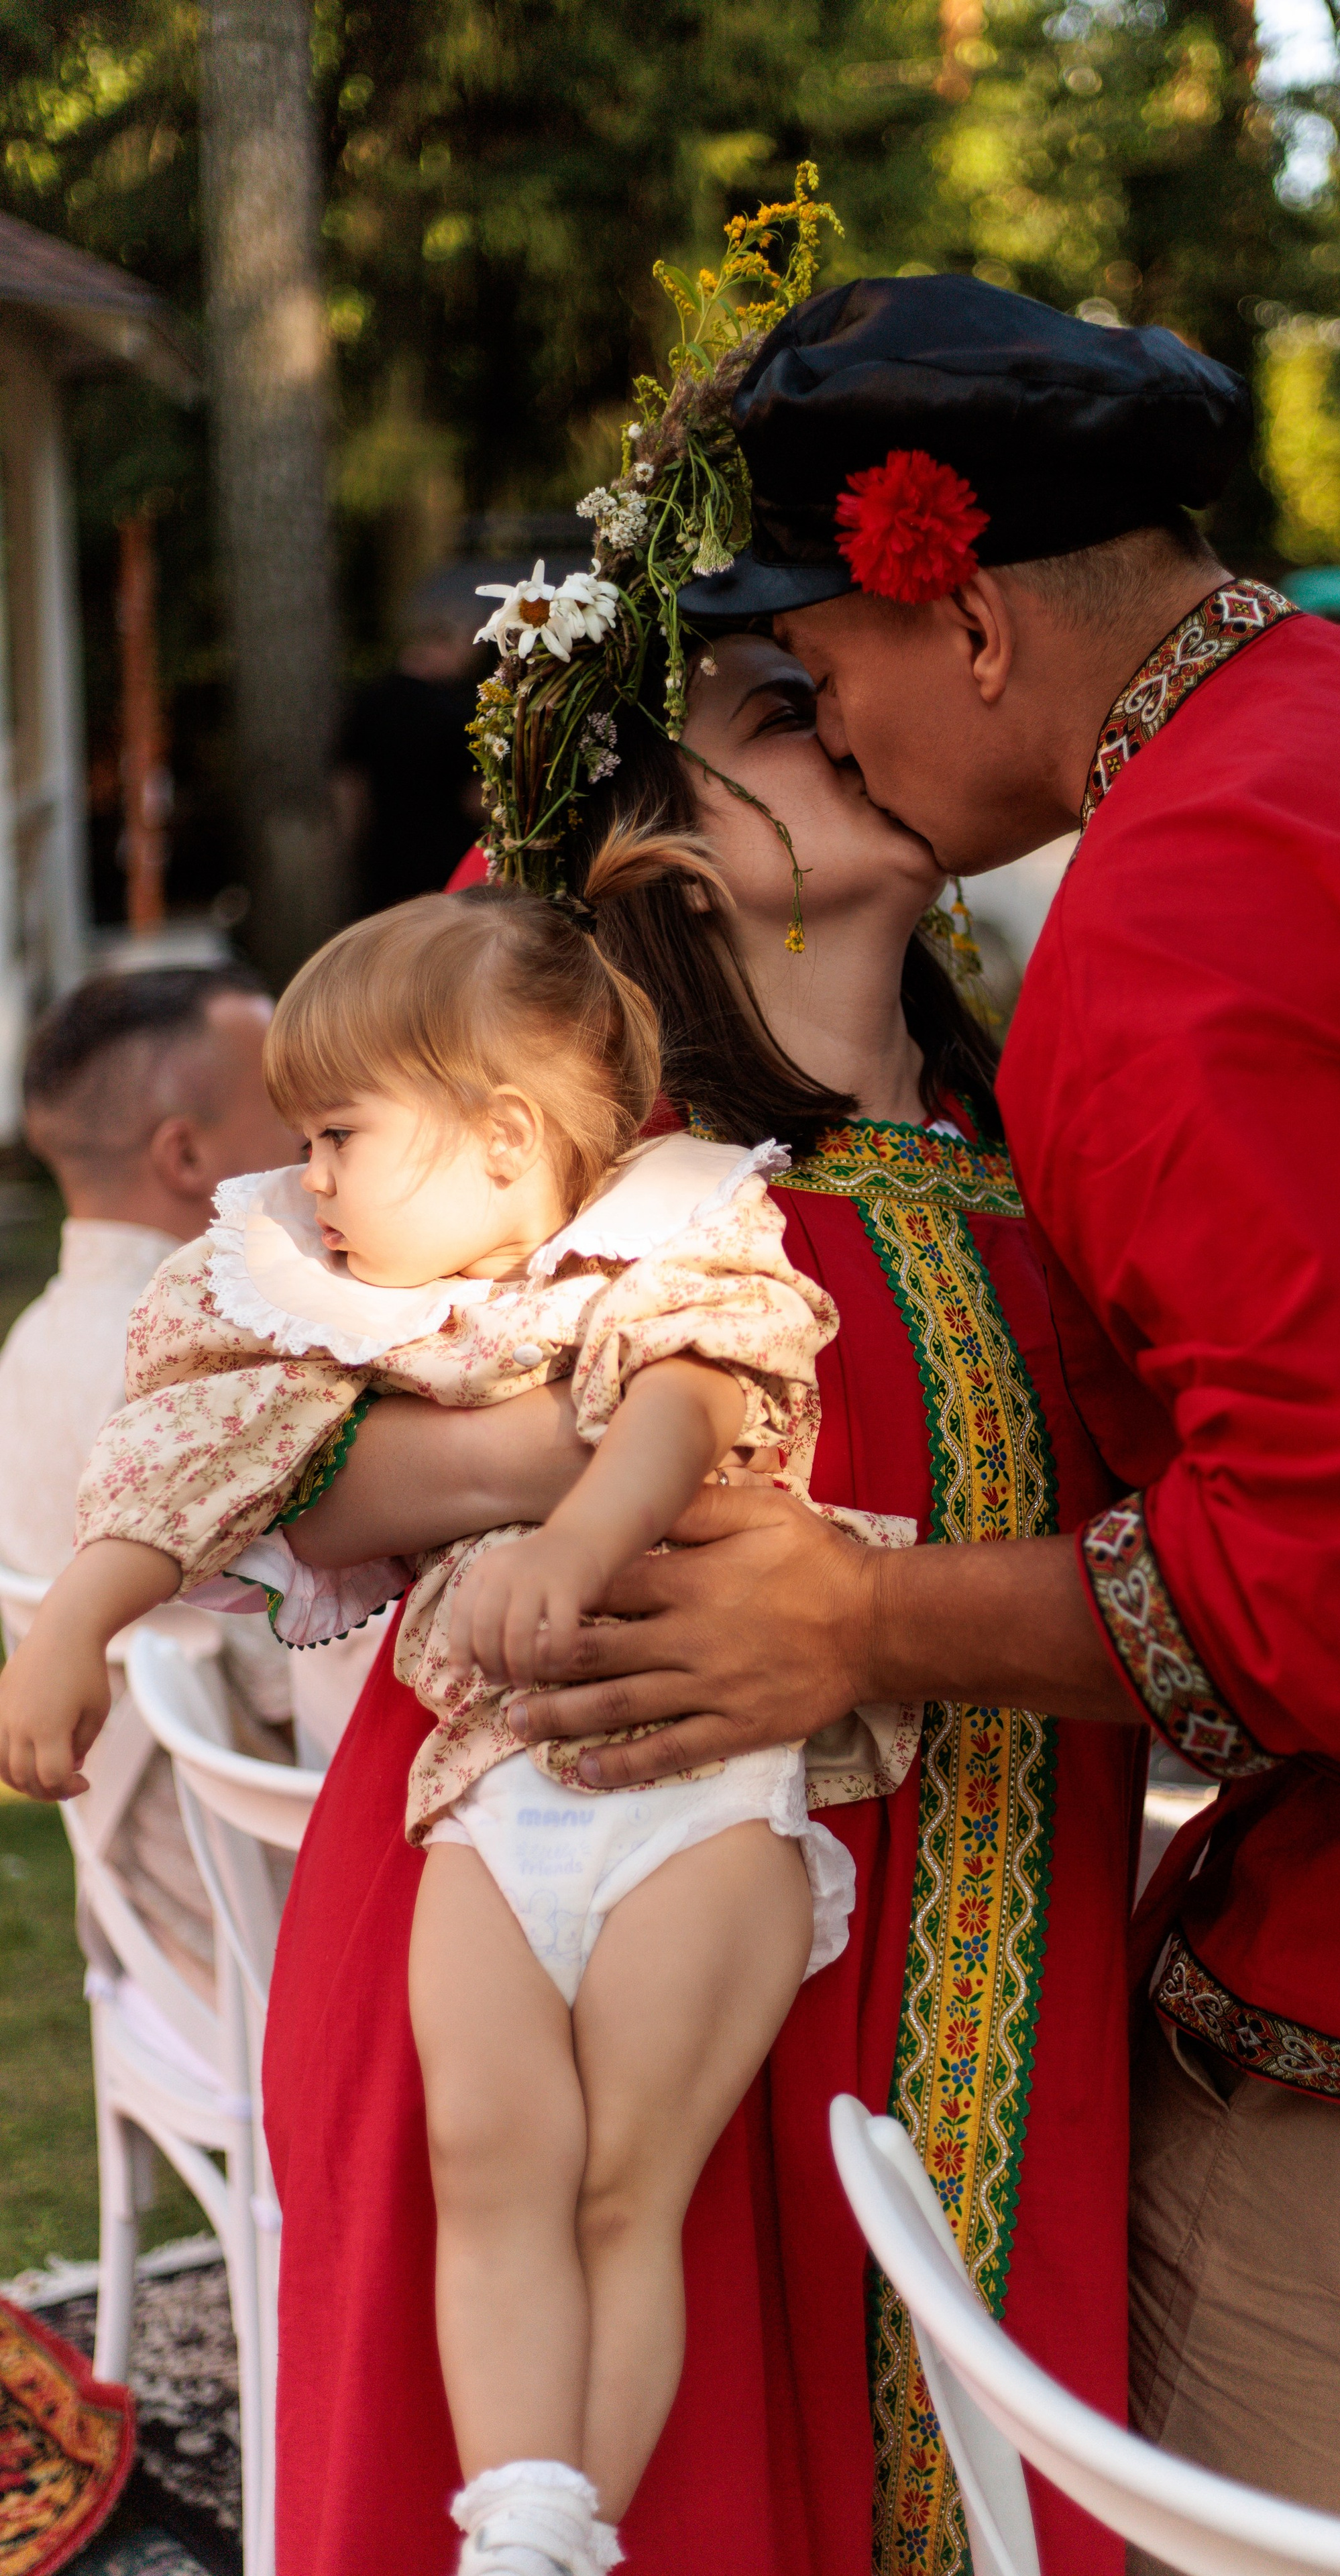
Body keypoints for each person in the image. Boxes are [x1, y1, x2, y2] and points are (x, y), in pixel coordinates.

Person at [508, 272, 1340, 2571]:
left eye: (818, 664)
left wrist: (855, 1623)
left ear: (960, 620)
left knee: (1115, 2529)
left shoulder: (1192, 923)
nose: (832, 735)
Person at [260, 682, 1134, 2573]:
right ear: (659, 837)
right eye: (784, 709)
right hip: (571, 1882)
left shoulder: (1040, 1144)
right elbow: (288, 1456)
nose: (854, 720)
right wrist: (619, 1439)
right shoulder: (573, 1166)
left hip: (959, 1893)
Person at [0, 874, 903, 2575]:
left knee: (623, 2185)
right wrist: (72, 1625)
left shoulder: (676, 1236)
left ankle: (563, 2525)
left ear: (499, 1140)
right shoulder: (335, 1313)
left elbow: (690, 1398)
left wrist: (572, 1542)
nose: (309, 1178)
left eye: (338, 1133)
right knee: (488, 2154)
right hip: (489, 1799)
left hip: (696, 1802)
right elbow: (194, 1457)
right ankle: (515, 2513)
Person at [0, 966, 307, 1982]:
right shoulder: (201, 1388)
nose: (319, 1148)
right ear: (185, 1155)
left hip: (154, 1918)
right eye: (298, 1113)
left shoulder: (33, 1345)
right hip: (265, 1928)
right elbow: (302, 1690)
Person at [333, 586, 486, 913]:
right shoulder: (457, 714)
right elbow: (475, 800)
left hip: (383, 863)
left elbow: (349, 788)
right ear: (444, 643)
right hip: (445, 864)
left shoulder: (369, 701)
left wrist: (354, 849)